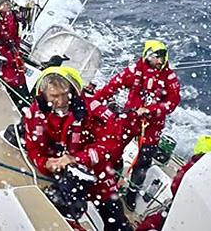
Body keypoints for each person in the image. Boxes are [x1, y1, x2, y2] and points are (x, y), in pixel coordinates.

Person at [23, 66, 132, 231]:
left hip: (98, 175)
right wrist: (44, 163)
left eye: (64, 95)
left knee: (118, 224)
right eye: (54, 96)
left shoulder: (93, 110)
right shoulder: (36, 113)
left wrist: (78, 158)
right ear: (43, 95)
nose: (60, 102)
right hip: (61, 175)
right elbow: (33, 147)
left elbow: (111, 144)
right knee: (62, 214)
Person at [93, 40, 181, 211]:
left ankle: (132, 192)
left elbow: (172, 103)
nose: (158, 61)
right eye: (155, 57)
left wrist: (150, 110)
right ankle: (111, 176)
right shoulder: (135, 71)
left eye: (160, 57)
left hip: (152, 127)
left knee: (143, 161)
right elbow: (113, 86)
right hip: (130, 119)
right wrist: (95, 101)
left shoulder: (170, 78)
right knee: (114, 148)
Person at [135, 135, 211, 231]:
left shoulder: (192, 166)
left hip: (179, 208)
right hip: (197, 216)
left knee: (150, 222)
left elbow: (175, 186)